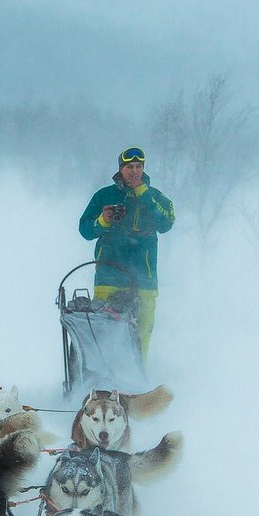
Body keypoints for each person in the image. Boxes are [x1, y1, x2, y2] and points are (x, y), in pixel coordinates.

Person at [77, 146, 175, 359]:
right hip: (108, 277)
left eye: (139, 166)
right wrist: (103, 220)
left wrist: (143, 194)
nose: (134, 171)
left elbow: (166, 223)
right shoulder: (104, 196)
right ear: (120, 169)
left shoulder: (154, 196)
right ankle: (101, 380)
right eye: (129, 167)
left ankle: (137, 381)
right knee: (103, 335)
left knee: (141, 336)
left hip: (144, 281)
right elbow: (84, 229)